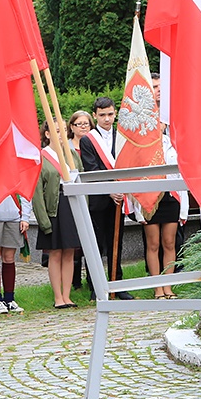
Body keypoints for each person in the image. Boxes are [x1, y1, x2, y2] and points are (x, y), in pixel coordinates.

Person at [78, 97, 134, 300]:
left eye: (110, 114)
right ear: (95, 116)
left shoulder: (122, 136)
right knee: (97, 244)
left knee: (116, 242)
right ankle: (96, 286)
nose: (107, 119)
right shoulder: (88, 140)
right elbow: (91, 169)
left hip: (118, 198)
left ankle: (117, 284)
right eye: (102, 115)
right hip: (100, 199)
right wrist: (109, 189)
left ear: (115, 113)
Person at [32, 119, 83, 308]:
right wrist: (43, 219)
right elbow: (37, 192)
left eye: (63, 129)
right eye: (57, 130)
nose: (62, 133)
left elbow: (81, 180)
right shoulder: (41, 157)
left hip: (71, 205)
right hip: (54, 207)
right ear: (47, 134)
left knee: (70, 252)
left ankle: (67, 295)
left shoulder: (71, 155)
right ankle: (57, 297)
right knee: (55, 253)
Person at [135, 122, 188, 297]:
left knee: (169, 243)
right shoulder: (140, 146)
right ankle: (157, 286)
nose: (157, 125)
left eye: (160, 122)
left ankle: (168, 285)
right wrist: (137, 208)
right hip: (149, 199)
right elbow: (136, 177)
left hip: (171, 198)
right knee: (153, 244)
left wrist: (184, 208)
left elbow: (181, 174)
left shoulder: (173, 144)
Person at [67, 110, 93, 289]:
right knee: (74, 240)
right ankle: (74, 280)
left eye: (86, 124)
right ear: (72, 127)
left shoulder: (94, 144)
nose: (83, 127)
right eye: (79, 124)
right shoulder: (67, 147)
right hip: (73, 197)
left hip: (91, 197)